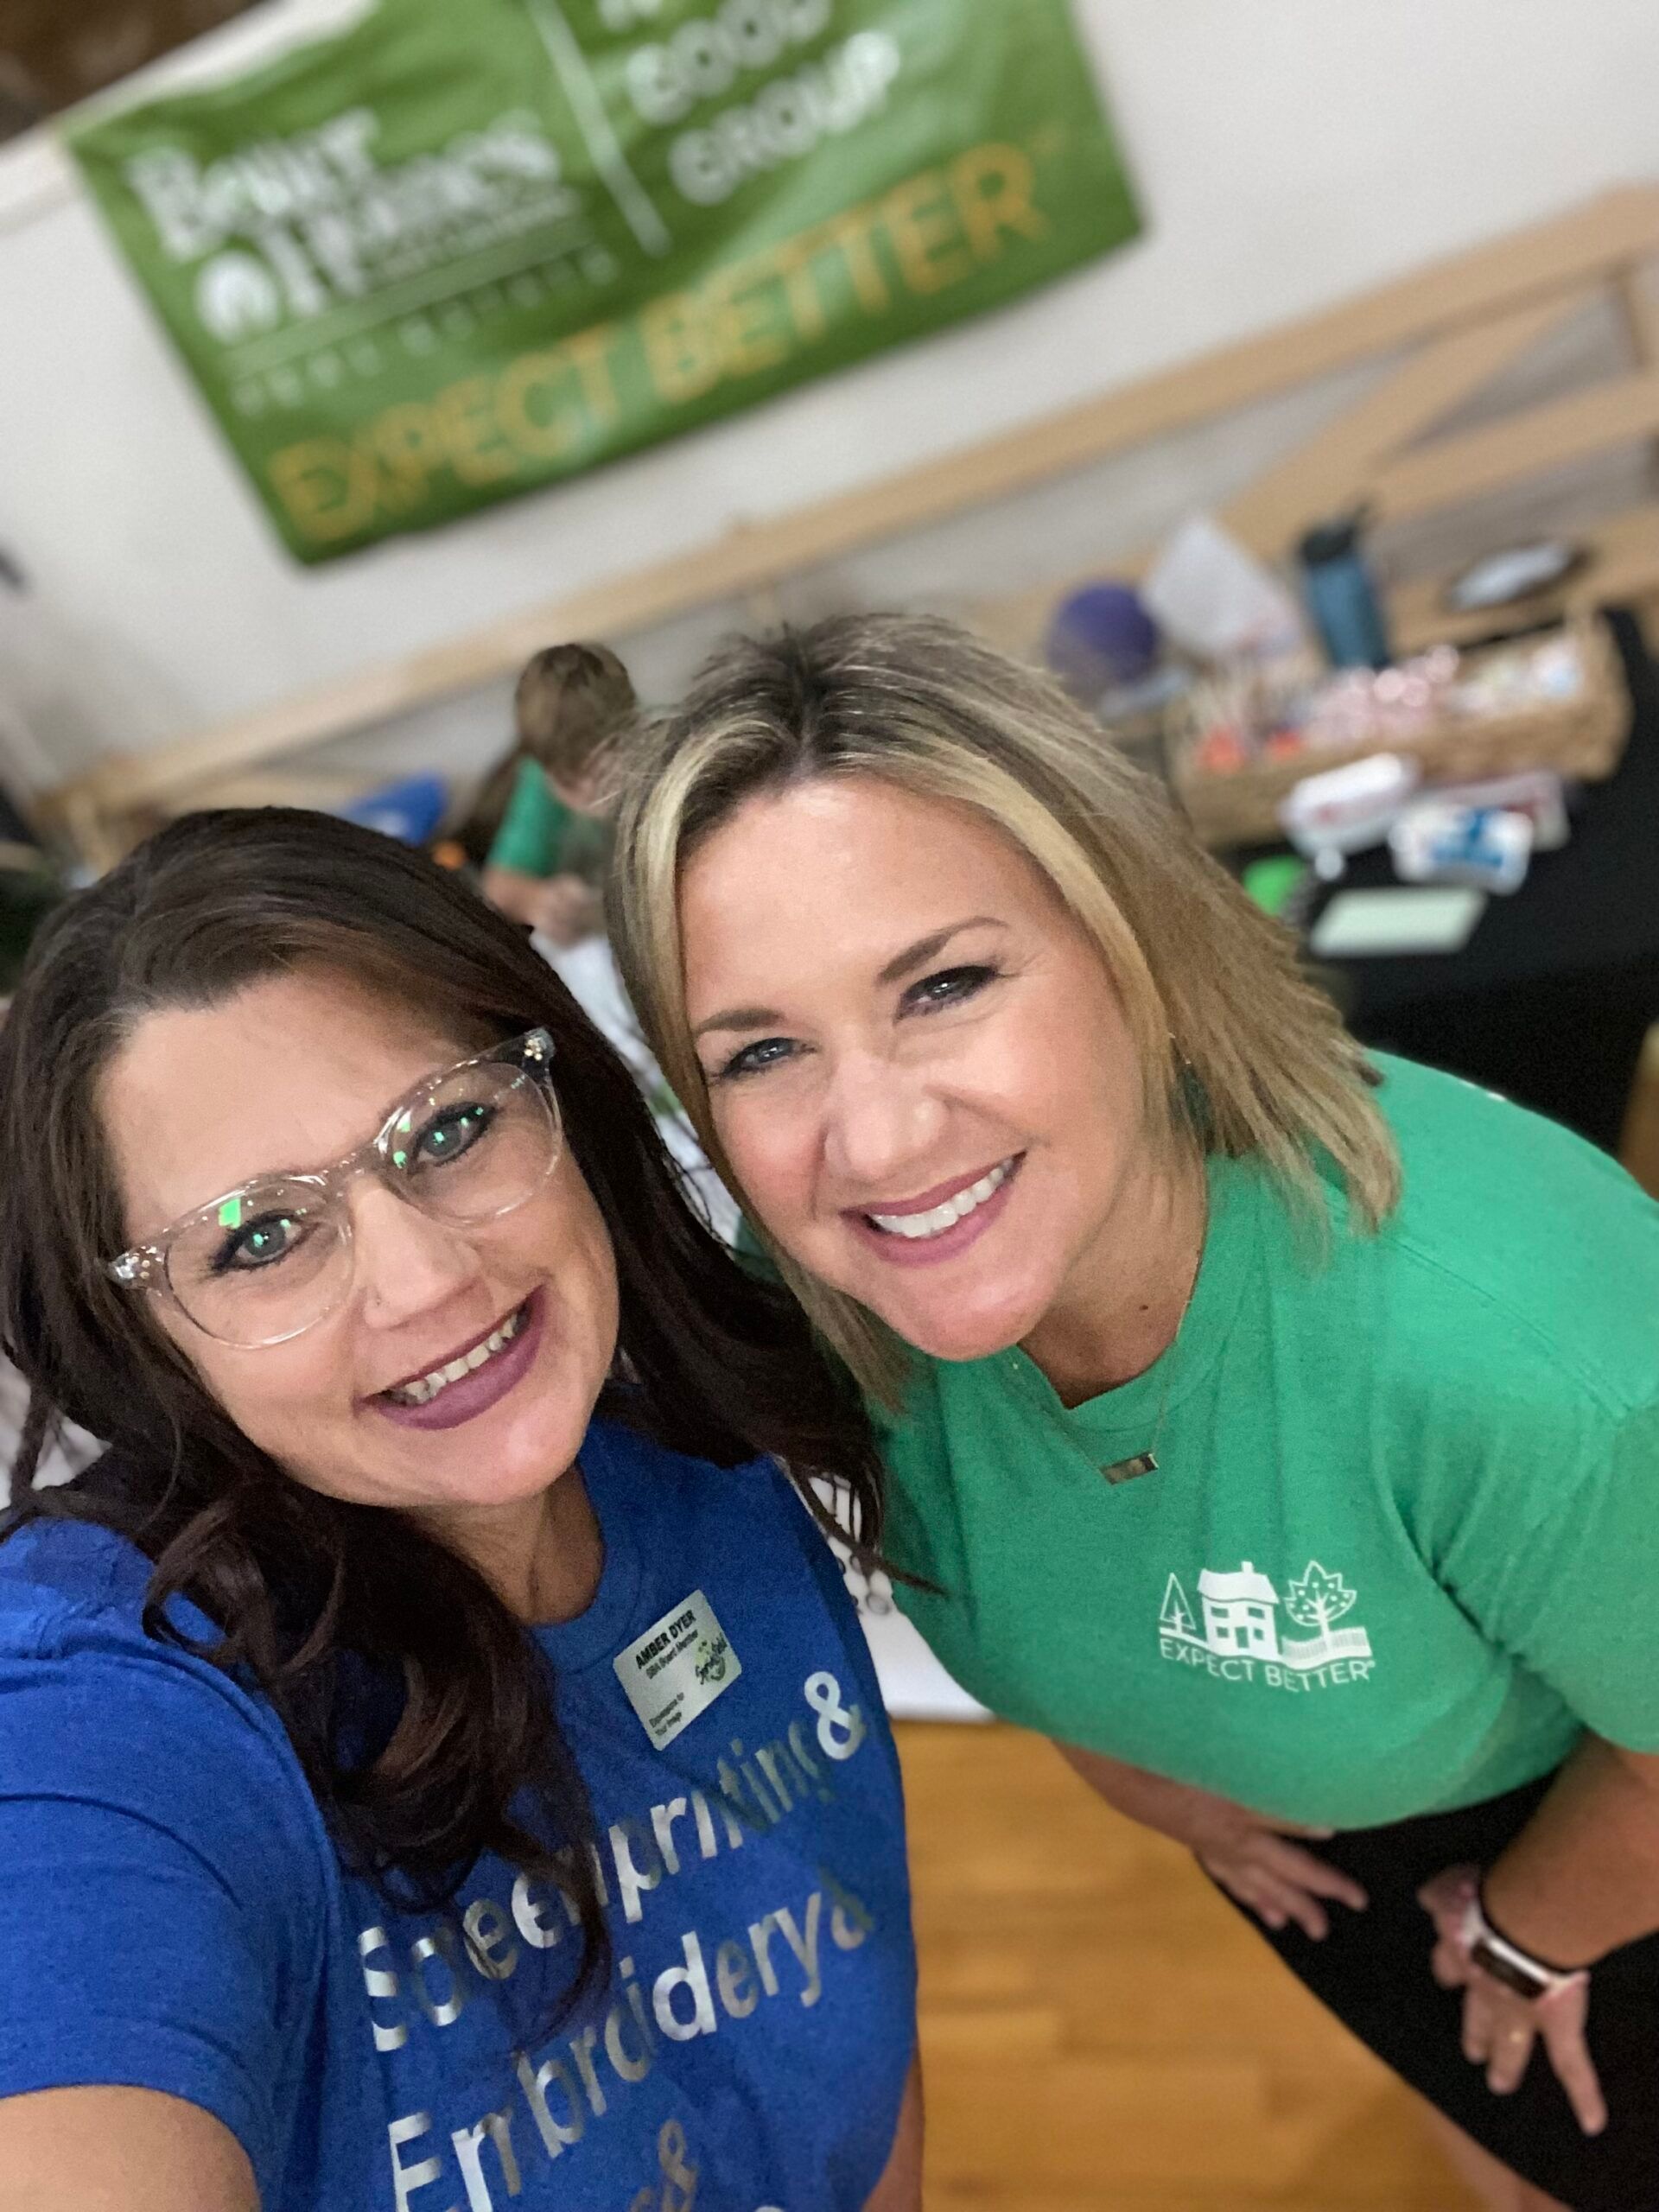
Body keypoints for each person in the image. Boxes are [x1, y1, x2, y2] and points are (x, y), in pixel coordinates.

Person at [608, 612, 1659, 2212]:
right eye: (762, 1050)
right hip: (1321, 1854)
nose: (876, 1142)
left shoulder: (1520, 1359)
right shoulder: (823, 1300)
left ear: (1134, 939)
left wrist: (1526, 1932)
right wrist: (1158, 1781)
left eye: (945, 983)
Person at [0, 807, 920, 2211]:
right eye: (259, 1238)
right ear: (147, 1339)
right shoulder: (120, 1705)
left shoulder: (715, 1477)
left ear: (559, 1101)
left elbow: (851, 2027)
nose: (423, 1278)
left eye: (447, 1128)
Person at [474, 642, 634, 945]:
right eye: (569, 782)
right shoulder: (541, 779)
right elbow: (499, 886)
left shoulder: (667, 759)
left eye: (602, 772)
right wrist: (544, 901)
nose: (591, 794)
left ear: (631, 732)